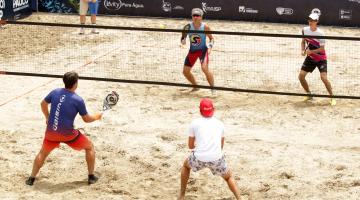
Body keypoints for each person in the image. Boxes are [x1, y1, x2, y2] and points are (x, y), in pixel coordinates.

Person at [25, 71, 103, 186]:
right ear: (76, 84)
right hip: (68, 135)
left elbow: (42, 104)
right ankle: (91, 177)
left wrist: (47, 117)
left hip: (51, 132)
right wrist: (97, 117)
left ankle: (31, 178)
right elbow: (86, 119)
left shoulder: (55, 92)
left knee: (42, 153)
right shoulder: (78, 100)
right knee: (89, 146)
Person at [178, 98, 241, 200]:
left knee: (186, 166)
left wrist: (200, 147)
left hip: (199, 158)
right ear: (214, 109)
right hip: (216, 158)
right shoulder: (220, 124)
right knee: (228, 177)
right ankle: (239, 198)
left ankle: (181, 195)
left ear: (200, 110)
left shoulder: (194, 123)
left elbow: (190, 146)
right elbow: (221, 146)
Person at [299, 13, 336, 106]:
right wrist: (303, 50)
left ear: (317, 22)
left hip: (321, 58)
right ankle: (309, 94)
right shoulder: (304, 30)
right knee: (301, 76)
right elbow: (303, 42)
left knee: (323, 78)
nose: (311, 22)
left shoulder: (321, 33)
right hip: (310, 58)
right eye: (310, 20)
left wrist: (311, 52)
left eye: (313, 20)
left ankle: (332, 97)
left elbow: (322, 49)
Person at [181, 8, 215, 93]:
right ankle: (195, 86)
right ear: (192, 16)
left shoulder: (205, 27)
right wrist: (183, 40)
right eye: (194, 15)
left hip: (203, 51)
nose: (195, 17)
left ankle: (213, 89)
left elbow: (211, 39)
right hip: (192, 51)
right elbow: (182, 38)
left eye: (197, 15)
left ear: (201, 17)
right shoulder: (187, 26)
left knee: (204, 68)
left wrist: (210, 48)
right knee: (185, 72)